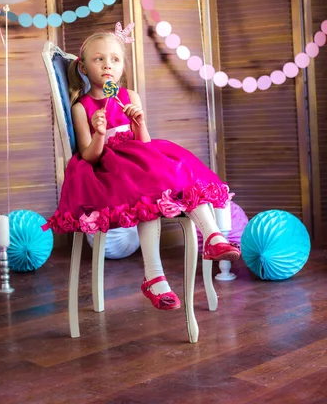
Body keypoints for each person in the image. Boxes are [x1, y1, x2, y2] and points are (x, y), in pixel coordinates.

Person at [43, 23, 240, 311]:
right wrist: (99, 132)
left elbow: (144, 144)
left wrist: (139, 123)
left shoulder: (128, 96)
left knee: (180, 170)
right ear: (83, 69)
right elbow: (89, 157)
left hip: (141, 160)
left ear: (122, 66)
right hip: (111, 169)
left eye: (115, 59)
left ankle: (213, 237)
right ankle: (154, 276)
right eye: (99, 59)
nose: (107, 65)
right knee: (148, 194)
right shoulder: (81, 107)